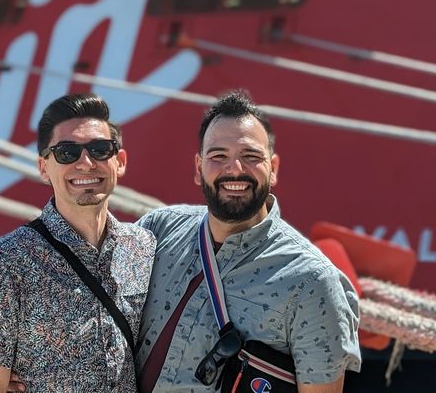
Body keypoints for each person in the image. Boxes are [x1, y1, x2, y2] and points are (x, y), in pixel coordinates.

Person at [135, 90, 361, 392]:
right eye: (218, 156)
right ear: (198, 168)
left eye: (251, 156)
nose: (235, 169)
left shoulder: (312, 281)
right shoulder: (158, 231)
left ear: (274, 168)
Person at [0, 93, 156, 393]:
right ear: (44, 167)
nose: (86, 163)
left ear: (119, 161)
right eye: (67, 152)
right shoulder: (4, 263)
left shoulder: (144, 249)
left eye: (99, 149)